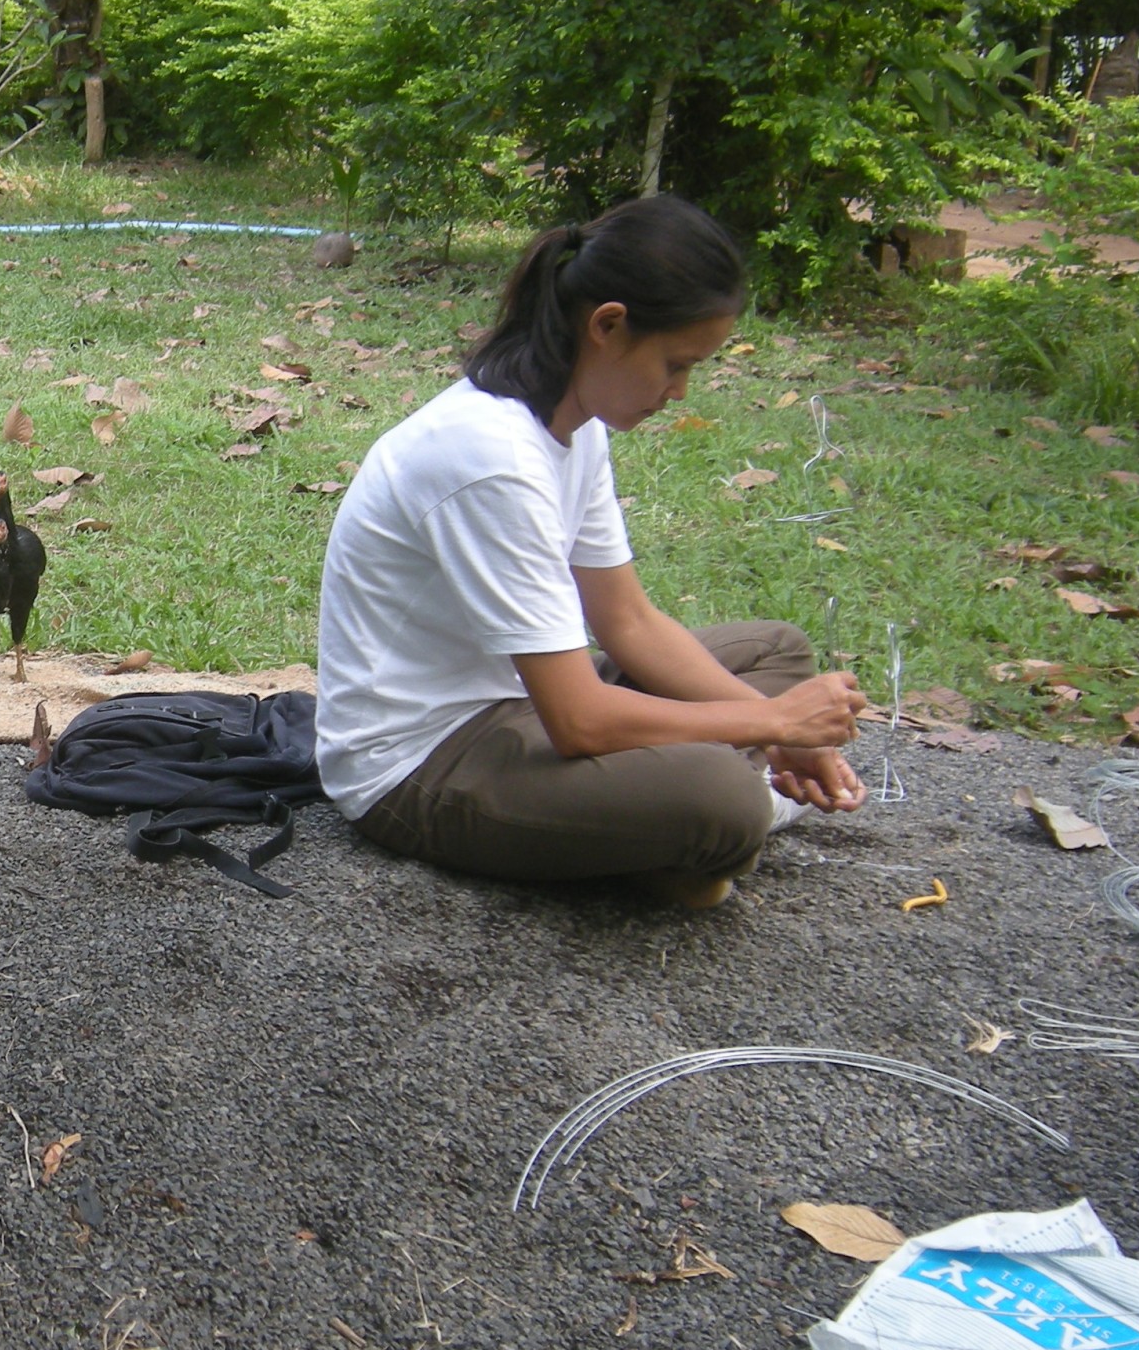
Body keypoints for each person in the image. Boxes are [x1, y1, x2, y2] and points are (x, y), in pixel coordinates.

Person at [314, 194, 868, 909]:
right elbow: (580, 723)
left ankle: (658, 830)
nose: (680, 391)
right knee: (722, 794)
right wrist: (774, 724)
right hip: (422, 763)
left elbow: (628, 623)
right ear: (608, 324)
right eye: (675, 364)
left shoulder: (573, 422)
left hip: (522, 702)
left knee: (773, 651)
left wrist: (783, 727)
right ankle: (712, 817)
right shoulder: (490, 457)